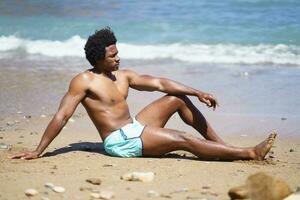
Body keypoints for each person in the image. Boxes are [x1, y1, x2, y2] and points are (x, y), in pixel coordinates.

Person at [11, 27, 276, 161]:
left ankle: (224, 147)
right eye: (113, 55)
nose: (118, 58)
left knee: (176, 99)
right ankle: (249, 154)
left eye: (118, 52)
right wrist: (38, 151)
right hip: (119, 141)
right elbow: (61, 116)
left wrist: (197, 92)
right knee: (181, 139)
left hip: (135, 127)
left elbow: (159, 83)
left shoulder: (123, 75)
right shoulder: (84, 81)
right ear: (98, 58)